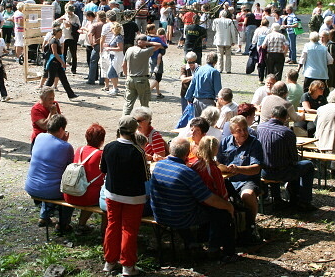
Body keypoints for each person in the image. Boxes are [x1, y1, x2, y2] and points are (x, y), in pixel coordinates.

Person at [150, 137, 238, 263]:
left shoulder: (159, 166)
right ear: (187, 154)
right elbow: (210, 199)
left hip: (160, 214)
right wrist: (228, 206)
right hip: (181, 217)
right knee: (221, 212)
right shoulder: (186, 173)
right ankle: (217, 250)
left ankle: (192, 243)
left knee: (179, 206)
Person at [100, 116, 149, 275]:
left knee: (112, 225)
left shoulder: (109, 147)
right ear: (135, 130)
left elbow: (103, 169)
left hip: (112, 193)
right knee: (129, 229)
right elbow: (145, 176)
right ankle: (127, 266)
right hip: (133, 196)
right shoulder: (138, 151)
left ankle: (109, 261)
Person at [257, 105, 316, 212]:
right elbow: (294, 158)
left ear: (272, 115)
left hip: (263, 171)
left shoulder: (260, 128)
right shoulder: (287, 132)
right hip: (282, 172)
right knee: (308, 166)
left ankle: (278, 198)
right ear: (285, 118)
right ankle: (304, 200)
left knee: (274, 161)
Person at [216, 115, 263, 243]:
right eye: (239, 130)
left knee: (247, 195)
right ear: (232, 132)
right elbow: (218, 162)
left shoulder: (254, 143)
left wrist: (238, 169)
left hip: (248, 180)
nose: (243, 133)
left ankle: (251, 226)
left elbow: (256, 168)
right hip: (229, 180)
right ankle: (226, 231)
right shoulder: (225, 142)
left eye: (245, 129)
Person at [25, 114, 75, 234]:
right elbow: (69, 168)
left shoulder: (39, 137)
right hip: (50, 191)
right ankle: (63, 224)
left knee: (49, 178)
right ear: (61, 129)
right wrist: (64, 142)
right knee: (68, 191)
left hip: (31, 186)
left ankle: (44, 216)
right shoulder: (66, 147)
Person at [63, 123, 106, 235]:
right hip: (87, 197)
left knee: (88, 188)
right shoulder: (100, 155)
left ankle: (81, 225)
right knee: (103, 196)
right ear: (102, 140)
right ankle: (103, 232)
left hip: (70, 193)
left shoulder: (79, 150)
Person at [121, 34, 163, 115]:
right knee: (144, 105)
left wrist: (127, 76)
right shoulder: (144, 51)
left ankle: (124, 121)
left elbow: (123, 65)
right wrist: (147, 43)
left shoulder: (129, 50)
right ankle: (144, 123)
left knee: (128, 103)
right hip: (141, 80)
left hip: (130, 79)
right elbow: (159, 45)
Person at [43, 27, 78, 99]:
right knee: (50, 80)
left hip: (57, 62)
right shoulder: (53, 41)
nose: (61, 34)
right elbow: (55, 53)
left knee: (63, 79)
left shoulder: (57, 40)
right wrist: (62, 62)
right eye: (60, 32)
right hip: (53, 63)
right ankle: (43, 94)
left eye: (61, 32)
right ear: (56, 33)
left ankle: (71, 94)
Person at [184, 52, 222, 117]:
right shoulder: (215, 72)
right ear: (215, 61)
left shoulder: (198, 69)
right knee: (207, 124)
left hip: (196, 101)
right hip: (208, 103)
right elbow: (218, 90)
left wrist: (189, 98)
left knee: (197, 124)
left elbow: (192, 84)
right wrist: (219, 103)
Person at [30, 87, 61, 151]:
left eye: (53, 98)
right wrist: (51, 113)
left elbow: (60, 120)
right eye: (50, 99)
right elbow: (44, 126)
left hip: (53, 138)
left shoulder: (54, 104)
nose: (52, 100)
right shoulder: (36, 109)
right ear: (42, 98)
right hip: (40, 140)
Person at [146, 24, 168, 99]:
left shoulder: (146, 38)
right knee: (158, 77)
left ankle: (158, 93)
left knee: (155, 76)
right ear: (151, 30)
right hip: (157, 58)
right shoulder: (156, 39)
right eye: (154, 29)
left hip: (150, 58)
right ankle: (148, 91)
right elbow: (165, 46)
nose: (155, 30)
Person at [59, 3, 80, 74]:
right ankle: (63, 67)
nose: (69, 13)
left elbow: (78, 26)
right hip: (64, 37)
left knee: (73, 54)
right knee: (63, 53)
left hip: (72, 37)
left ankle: (74, 69)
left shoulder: (76, 17)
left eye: (71, 11)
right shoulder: (64, 16)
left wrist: (71, 24)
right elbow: (57, 23)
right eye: (68, 11)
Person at [104, 22, 125, 96]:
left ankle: (115, 88)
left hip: (117, 57)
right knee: (114, 73)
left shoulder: (118, 37)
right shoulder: (114, 36)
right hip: (113, 56)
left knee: (111, 73)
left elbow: (120, 48)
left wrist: (109, 48)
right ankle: (115, 88)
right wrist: (108, 45)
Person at [86, 11, 106, 85]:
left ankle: (91, 79)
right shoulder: (108, 25)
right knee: (103, 63)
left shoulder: (95, 25)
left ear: (99, 17)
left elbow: (89, 34)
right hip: (106, 46)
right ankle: (102, 80)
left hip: (97, 45)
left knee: (93, 62)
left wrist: (91, 43)